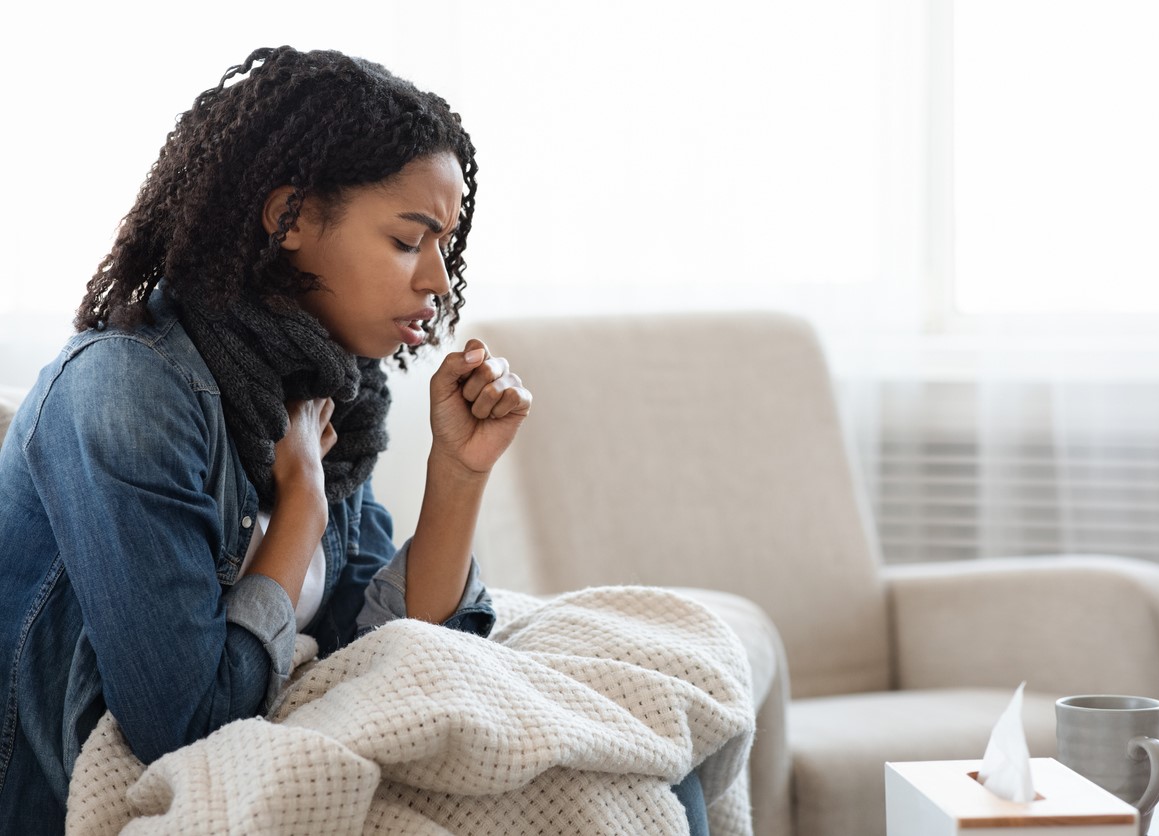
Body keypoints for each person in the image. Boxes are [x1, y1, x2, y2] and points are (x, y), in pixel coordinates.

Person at [0, 46, 707, 834]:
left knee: (644, 760)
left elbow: (376, 645)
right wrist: (301, 503)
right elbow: (184, 722)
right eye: (410, 240)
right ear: (290, 219)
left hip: (261, 746)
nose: (438, 280)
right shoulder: (128, 392)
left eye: (446, 245)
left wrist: (459, 473)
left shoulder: (326, 386)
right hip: (88, 796)